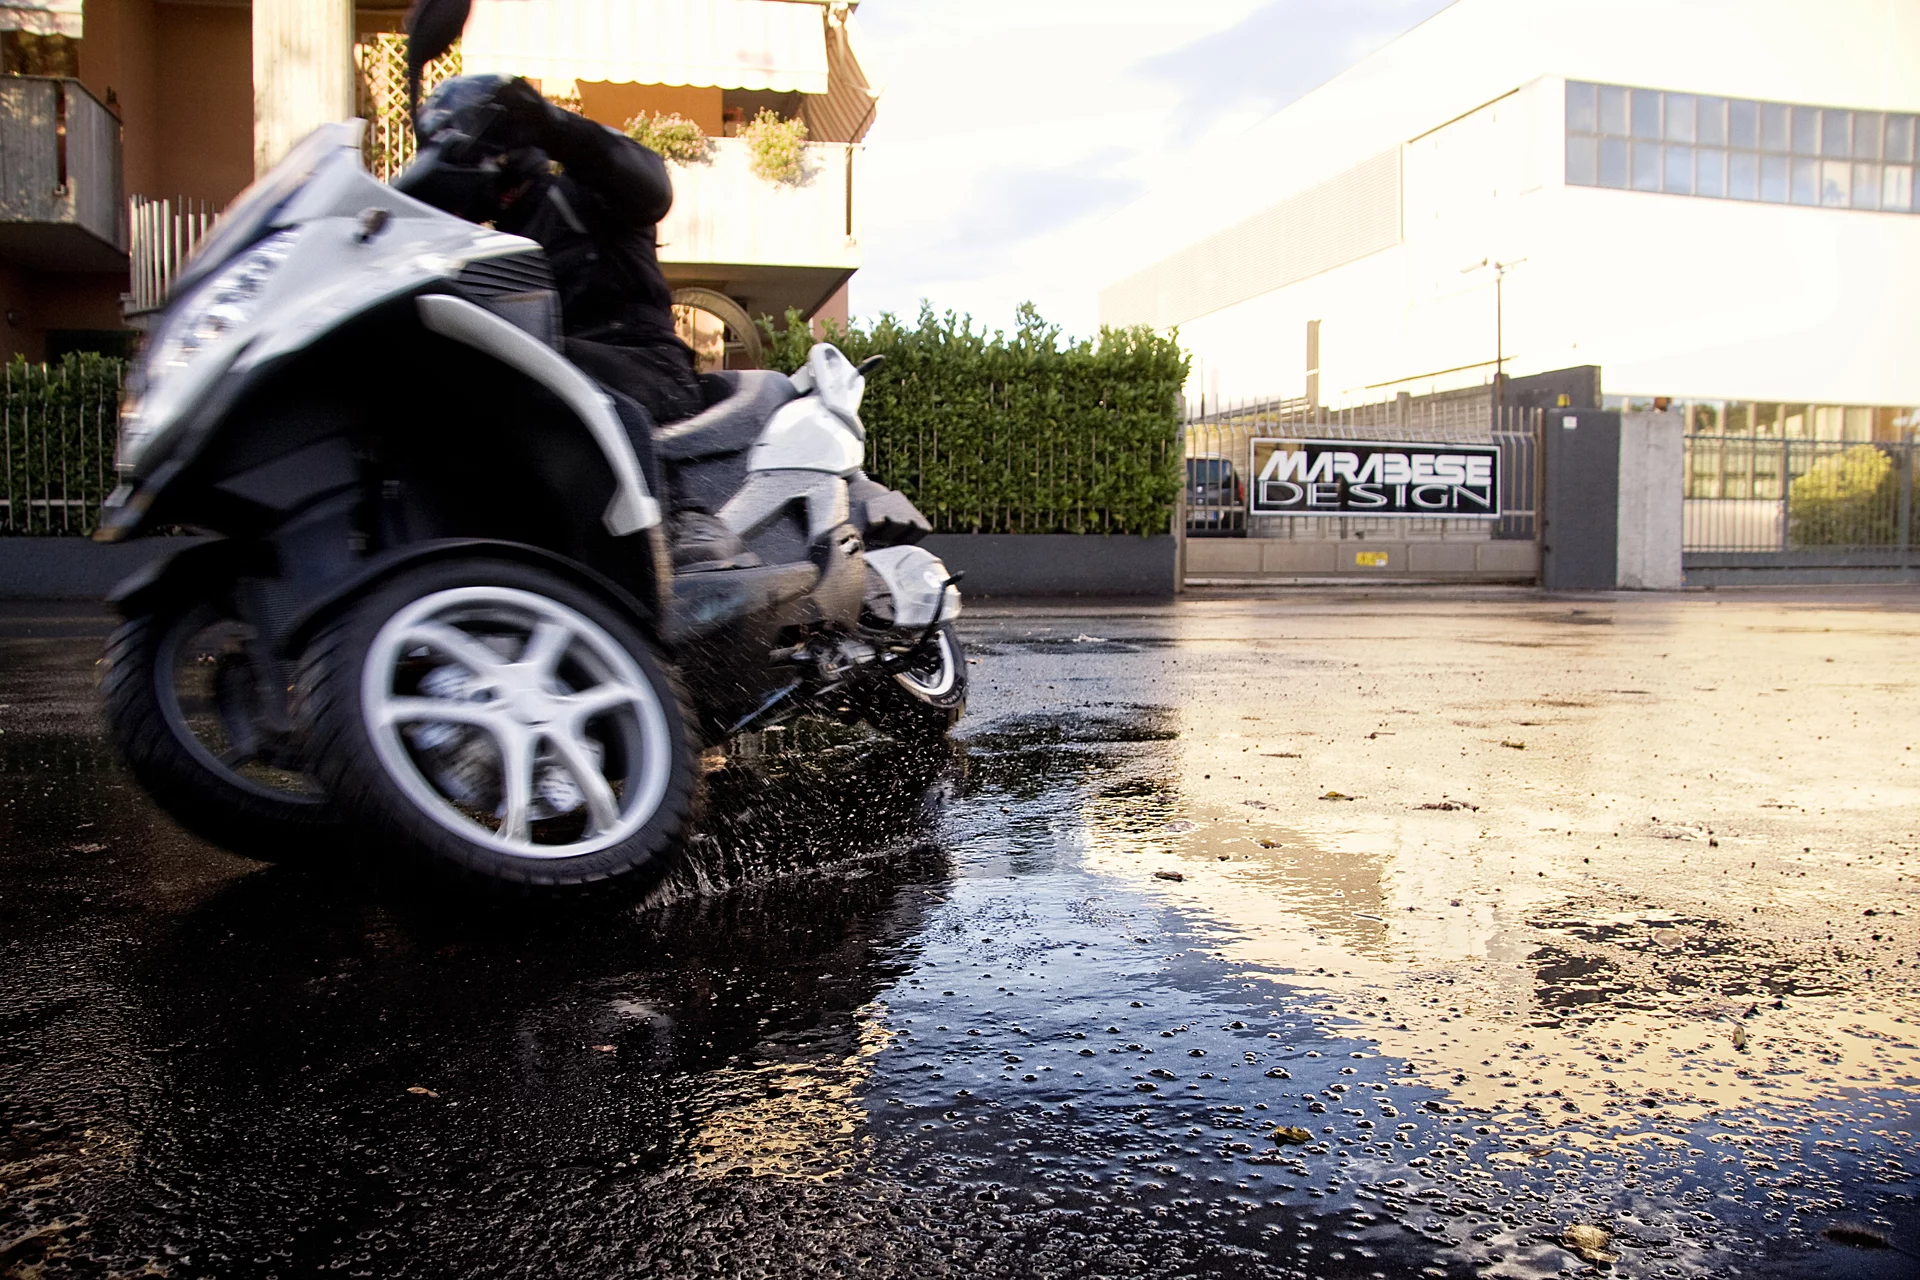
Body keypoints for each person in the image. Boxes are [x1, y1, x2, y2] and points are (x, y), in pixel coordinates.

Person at [412, 75, 707, 425]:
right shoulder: (488, 246)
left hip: (648, 368)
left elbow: (652, 188)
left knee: (495, 370)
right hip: (566, 379)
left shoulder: (583, 194)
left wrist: (553, 125)